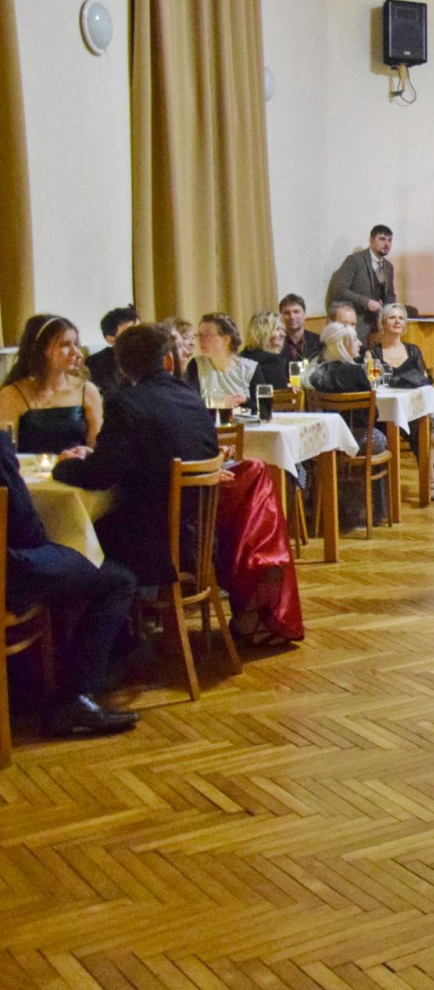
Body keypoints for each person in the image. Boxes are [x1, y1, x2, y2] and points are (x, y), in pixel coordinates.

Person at [54, 325, 303, 648]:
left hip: (156, 543)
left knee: (76, 537)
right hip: (201, 536)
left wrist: (62, 467)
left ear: (124, 367)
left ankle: (91, 645)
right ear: (168, 361)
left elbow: (100, 475)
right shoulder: (191, 398)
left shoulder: (125, 404)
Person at [2, 431, 140, 737]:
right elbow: (26, 529)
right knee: (119, 581)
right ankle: (72, 699)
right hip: (10, 570)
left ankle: (31, 677)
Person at [305, 321, 387, 529]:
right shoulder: (356, 373)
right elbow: (373, 415)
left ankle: (325, 509)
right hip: (357, 441)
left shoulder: (313, 373)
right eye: (355, 339)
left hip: (323, 442)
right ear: (343, 343)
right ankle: (376, 511)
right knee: (380, 437)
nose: (359, 344)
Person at [367, 302, 434, 502]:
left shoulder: (413, 351)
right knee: (421, 425)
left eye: (401, 318)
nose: (397, 321)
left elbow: (423, 382)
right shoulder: (373, 353)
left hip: (411, 409)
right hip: (383, 413)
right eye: (392, 318)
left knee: (422, 425)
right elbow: (374, 384)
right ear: (383, 323)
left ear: (405, 325)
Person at [0, 314, 103, 454]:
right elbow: (6, 452)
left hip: (76, 466)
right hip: (30, 467)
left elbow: (97, 447)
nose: (75, 352)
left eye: (76, 345)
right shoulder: (13, 394)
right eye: (64, 345)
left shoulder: (87, 390)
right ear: (40, 349)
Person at [326, 224, 397, 343]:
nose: (387, 244)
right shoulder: (354, 260)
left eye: (390, 240)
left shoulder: (388, 267)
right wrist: (366, 302)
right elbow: (338, 289)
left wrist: (391, 313)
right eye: (382, 239)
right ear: (371, 241)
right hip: (355, 323)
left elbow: (390, 296)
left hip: (378, 325)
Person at [191, 313, 257, 407]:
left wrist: (245, 401)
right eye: (199, 335)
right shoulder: (196, 365)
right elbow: (192, 403)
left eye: (207, 335)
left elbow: (263, 408)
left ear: (226, 339)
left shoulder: (249, 369)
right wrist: (221, 403)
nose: (201, 340)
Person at [85, 305, 139, 399]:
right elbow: (109, 397)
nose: (139, 337)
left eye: (141, 330)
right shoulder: (97, 363)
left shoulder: (154, 356)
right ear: (110, 339)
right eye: (130, 333)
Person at [241, 311, 291, 391]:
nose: (283, 334)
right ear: (263, 332)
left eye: (282, 330)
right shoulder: (273, 360)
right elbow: (280, 394)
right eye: (277, 329)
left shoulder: (242, 356)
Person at [279, 293, 323, 366]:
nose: (292, 317)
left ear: (305, 314)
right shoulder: (276, 343)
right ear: (281, 317)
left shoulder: (319, 342)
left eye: (296, 312)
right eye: (287, 313)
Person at [161, 317, 198, 385]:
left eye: (193, 338)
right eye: (185, 338)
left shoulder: (194, 369)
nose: (192, 343)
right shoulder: (167, 374)